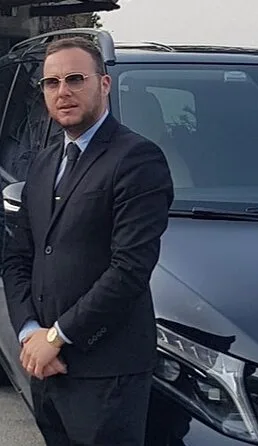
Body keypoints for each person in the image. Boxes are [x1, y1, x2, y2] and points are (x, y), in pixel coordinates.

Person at [2, 36, 174, 445]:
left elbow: (129, 270)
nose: (62, 92)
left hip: (106, 375)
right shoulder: (44, 162)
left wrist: (57, 337)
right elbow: (18, 256)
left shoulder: (137, 159)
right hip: (45, 368)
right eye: (51, 82)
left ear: (104, 84)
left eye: (75, 79)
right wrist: (30, 333)